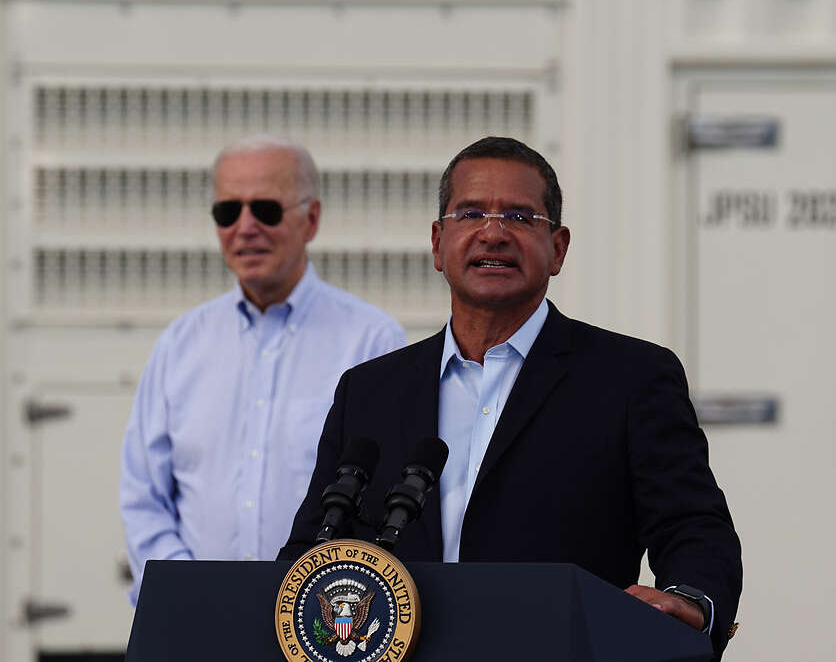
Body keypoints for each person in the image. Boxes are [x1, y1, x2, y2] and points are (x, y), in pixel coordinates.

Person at [277, 136, 741, 659]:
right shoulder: (369, 390)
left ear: (559, 248)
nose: (493, 233)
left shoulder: (631, 378)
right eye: (471, 213)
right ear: (437, 243)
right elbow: (311, 545)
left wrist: (690, 600)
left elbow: (693, 526)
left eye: (520, 218)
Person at [120, 135, 407, 604]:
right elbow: (143, 495)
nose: (245, 227)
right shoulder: (180, 344)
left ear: (311, 219)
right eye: (227, 212)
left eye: (266, 210)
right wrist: (190, 595)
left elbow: (380, 506)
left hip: (316, 626)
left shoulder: (372, 343)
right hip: (192, 623)